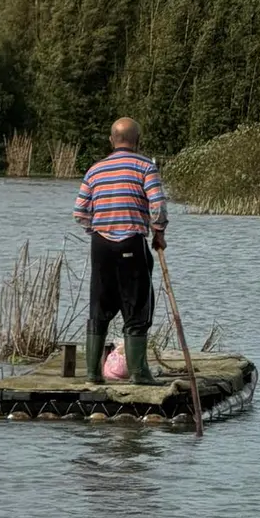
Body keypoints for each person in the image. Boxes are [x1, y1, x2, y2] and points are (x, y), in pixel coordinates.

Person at [73, 118, 168, 385]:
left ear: (111, 139)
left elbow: (80, 211)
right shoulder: (145, 167)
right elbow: (157, 206)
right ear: (137, 140)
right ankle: (138, 373)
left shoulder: (95, 170)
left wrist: (96, 229)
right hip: (132, 241)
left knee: (99, 304)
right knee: (137, 304)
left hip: (100, 245)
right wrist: (159, 232)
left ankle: (93, 374)